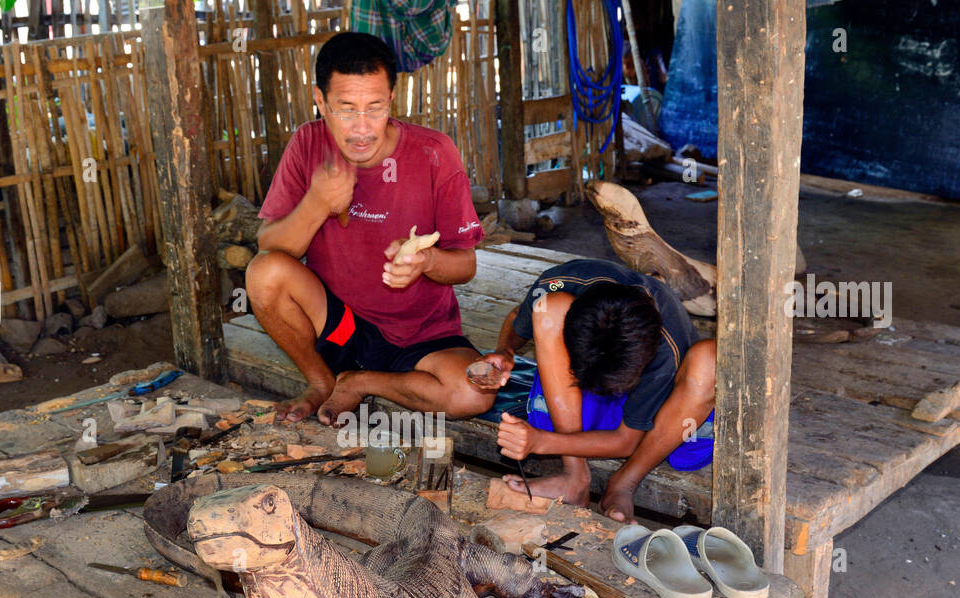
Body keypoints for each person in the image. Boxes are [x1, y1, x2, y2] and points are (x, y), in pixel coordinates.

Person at [246, 32, 489, 426]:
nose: (362, 128)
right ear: (320, 101)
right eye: (345, 109)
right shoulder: (307, 144)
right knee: (263, 273)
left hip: (423, 337)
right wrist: (318, 203)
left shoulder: (434, 153)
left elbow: (466, 265)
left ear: (392, 98)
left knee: (472, 393)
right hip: (341, 327)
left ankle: (362, 382)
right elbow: (270, 247)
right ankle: (322, 381)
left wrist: (426, 261)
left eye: (374, 107)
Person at [472, 259, 717, 524]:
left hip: (660, 427)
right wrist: (505, 351)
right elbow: (517, 316)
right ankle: (574, 476)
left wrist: (541, 441)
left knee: (710, 360)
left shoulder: (666, 347)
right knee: (549, 308)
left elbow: (626, 441)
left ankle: (624, 483)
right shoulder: (557, 283)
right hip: (579, 409)